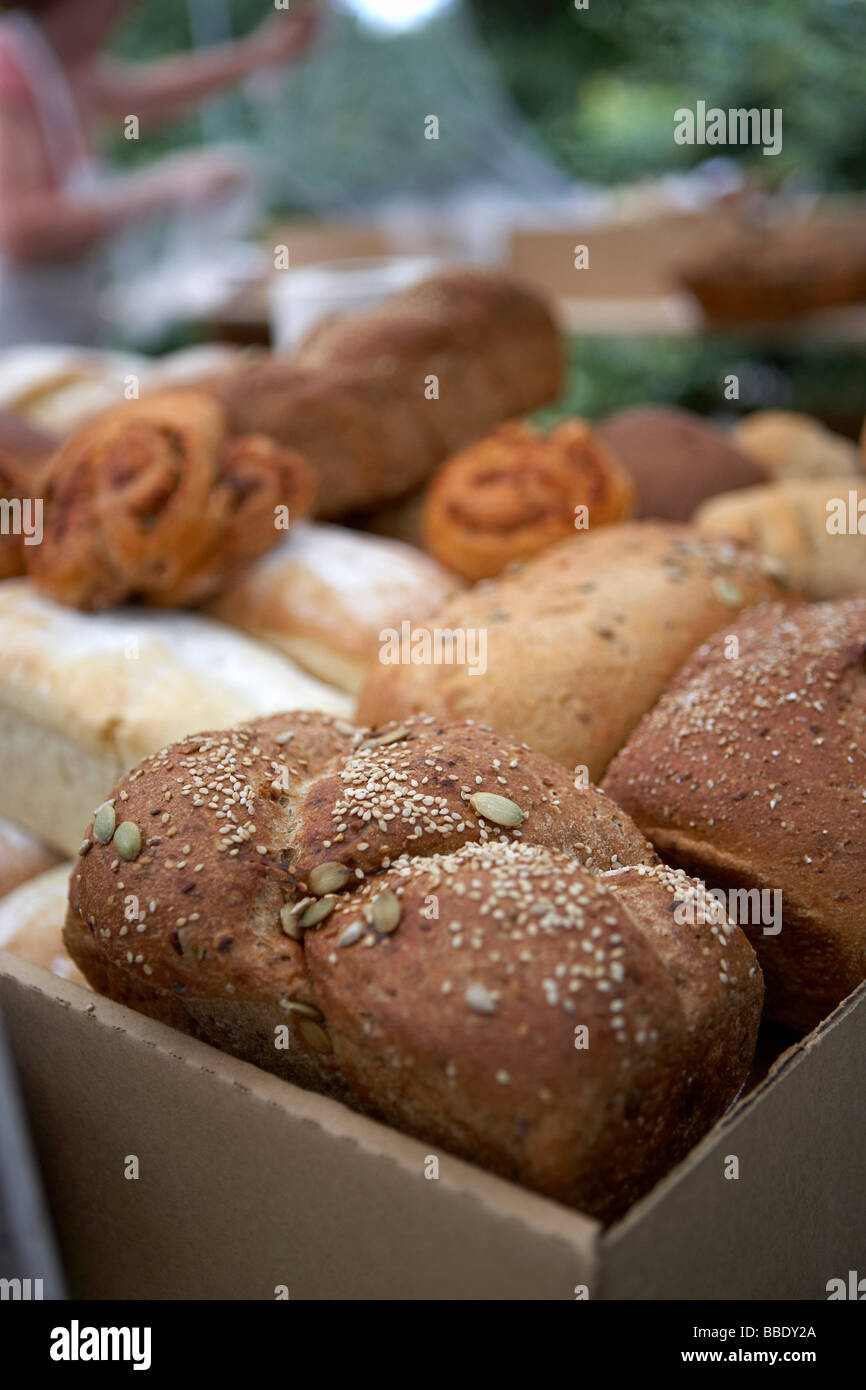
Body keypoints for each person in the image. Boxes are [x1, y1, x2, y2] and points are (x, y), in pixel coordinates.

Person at [0, 0, 322, 345]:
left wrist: (264, 51)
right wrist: (163, 188)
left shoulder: (61, 67)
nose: (124, 14)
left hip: (66, 321)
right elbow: (22, 232)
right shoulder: (10, 67)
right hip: (19, 336)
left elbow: (153, 94)